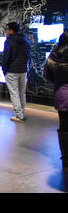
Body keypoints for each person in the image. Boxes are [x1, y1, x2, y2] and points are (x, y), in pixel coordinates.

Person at [44, 30, 68, 172]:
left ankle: (65, 158)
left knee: (64, 128)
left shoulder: (53, 56)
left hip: (62, 96)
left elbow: (47, 75)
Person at [3, 22, 31, 123]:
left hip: (12, 70)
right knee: (22, 93)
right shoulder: (25, 40)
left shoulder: (9, 40)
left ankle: (19, 115)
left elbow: (6, 57)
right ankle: (21, 113)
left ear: (11, 30)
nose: (6, 31)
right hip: (23, 70)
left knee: (14, 93)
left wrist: (4, 70)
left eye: (7, 29)